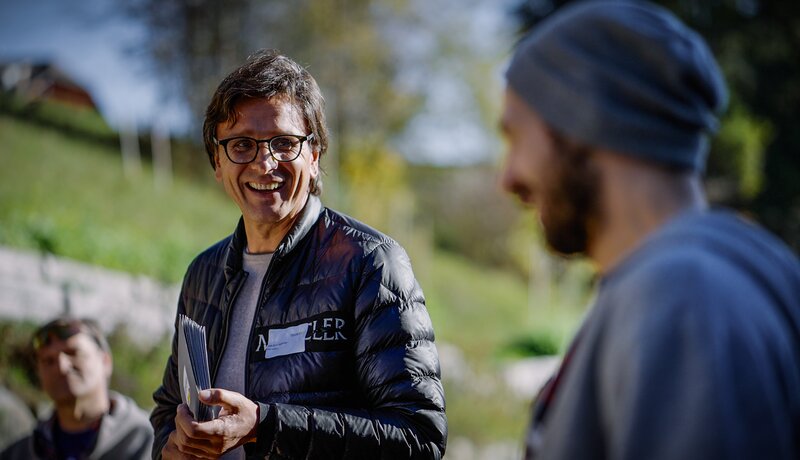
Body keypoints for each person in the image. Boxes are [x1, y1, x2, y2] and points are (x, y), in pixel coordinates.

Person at [500, 1, 800, 459]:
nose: (508, 178)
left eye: (515, 137)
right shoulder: (749, 266)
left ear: (580, 120)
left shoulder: (683, 296)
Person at [150, 49, 447, 459]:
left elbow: (420, 438)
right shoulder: (203, 274)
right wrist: (171, 449)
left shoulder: (369, 263)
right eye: (241, 145)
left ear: (314, 155)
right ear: (217, 162)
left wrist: (264, 426)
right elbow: (168, 410)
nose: (264, 162)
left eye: (284, 143)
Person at [1, 316, 153, 460]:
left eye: (73, 353)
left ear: (105, 361)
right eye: (48, 361)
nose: (61, 366)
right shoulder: (19, 454)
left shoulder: (151, 442)